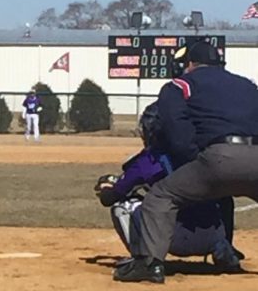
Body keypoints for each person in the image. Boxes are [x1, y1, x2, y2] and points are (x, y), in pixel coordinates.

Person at [114, 39, 258, 283]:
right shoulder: (249, 86)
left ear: (190, 63)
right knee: (223, 196)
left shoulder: (179, 85)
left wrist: (199, 163)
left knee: (160, 196)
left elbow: (179, 136)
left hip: (218, 157)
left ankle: (150, 264)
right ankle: (226, 252)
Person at [95, 102, 238, 267]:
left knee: (123, 205)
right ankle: (226, 251)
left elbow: (110, 198)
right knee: (224, 195)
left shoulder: (148, 161)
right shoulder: (203, 152)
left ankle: (144, 262)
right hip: (214, 236)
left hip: (174, 239)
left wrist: (107, 187)